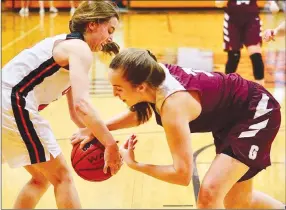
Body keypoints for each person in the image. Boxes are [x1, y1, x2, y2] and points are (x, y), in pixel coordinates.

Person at [72, 48, 285, 209]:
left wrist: (136, 165)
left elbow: (182, 175)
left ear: (141, 87)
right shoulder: (152, 75)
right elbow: (141, 112)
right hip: (231, 118)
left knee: (208, 197)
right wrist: (97, 129)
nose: (114, 94)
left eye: (118, 88)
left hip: (255, 112)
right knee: (239, 202)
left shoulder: (173, 107)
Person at [2, 1, 121, 209]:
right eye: (109, 30)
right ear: (92, 24)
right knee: (62, 177)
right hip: (13, 103)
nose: (111, 37)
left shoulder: (69, 46)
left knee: (42, 178)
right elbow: (83, 105)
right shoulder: (79, 49)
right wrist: (109, 144)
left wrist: (90, 130)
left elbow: (77, 113)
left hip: (7, 104)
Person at [215, 0, 279, 86]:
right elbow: (218, 3)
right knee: (234, 56)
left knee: (255, 55)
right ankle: (227, 87)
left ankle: (261, 90)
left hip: (251, 19)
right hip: (232, 20)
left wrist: (272, 2)